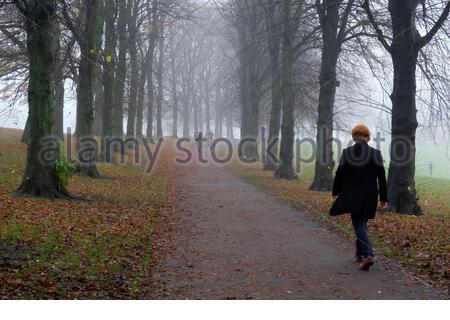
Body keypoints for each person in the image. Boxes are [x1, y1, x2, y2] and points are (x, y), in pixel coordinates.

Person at [330, 125, 388, 271]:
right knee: (362, 223)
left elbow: (340, 174)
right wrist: (383, 198)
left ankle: (368, 254)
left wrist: (335, 191)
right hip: (370, 196)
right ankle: (359, 253)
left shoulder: (347, 152)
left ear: (353, 137)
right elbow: (381, 178)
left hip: (352, 195)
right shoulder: (376, 154)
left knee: (359, 225)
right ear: (368, 137)